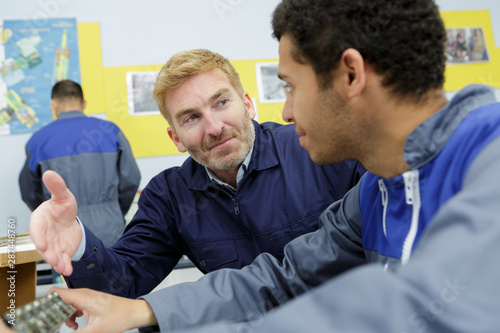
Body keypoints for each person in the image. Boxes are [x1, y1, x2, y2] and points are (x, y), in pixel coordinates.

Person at [14, 0, 500, 332]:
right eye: (191, 117)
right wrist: (140, 307)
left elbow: (428, 306)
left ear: (351, 75)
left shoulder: (485, 156)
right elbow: (280, 277)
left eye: (288, 85)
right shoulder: (376, 191)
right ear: (175, 137)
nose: (285, 111)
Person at [28, 50, 365, 300]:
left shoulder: (319, 150)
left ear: (248, 104)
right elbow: (121, 284)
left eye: (221, 103)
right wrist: (79, 246)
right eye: (191, 118)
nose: (214, 128)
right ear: (175, 138)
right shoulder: (170, 196)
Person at [19, 80, 141, 248]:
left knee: (69, 274)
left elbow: (29, 191)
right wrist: (113, 209)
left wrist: (53, 213)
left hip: (63, 231)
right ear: (83, 103)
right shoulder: (110, 131)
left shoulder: (38, 141)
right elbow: (132, 178)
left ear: (54, 104)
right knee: (114, 272)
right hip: (110, 226)